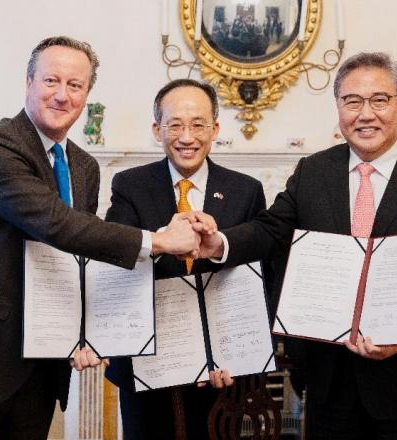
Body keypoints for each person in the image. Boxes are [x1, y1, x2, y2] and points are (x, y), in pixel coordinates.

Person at [0, 36, 206, 440]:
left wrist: (88, 333)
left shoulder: (84, 166)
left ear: (86, 95)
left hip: (39, 369)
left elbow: (79, 259)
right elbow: (58, 225)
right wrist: (160, 241)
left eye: (75, 85)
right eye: (51, 81)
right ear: (28, 83)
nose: (62, 95)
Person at [198, 52, 397, 439]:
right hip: (330, 389)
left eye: (379, 100)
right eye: (352, 101)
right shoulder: (313, 172)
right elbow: (270, 230)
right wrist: (219, 243)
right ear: (338, 108)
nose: (365, 114)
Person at [100, 78, 267, 439]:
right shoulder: (129, 185)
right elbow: (115, 257)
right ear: (157, 130)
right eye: (174, 125)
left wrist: (239, 357)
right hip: (148, 364)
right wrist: (164, 239)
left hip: (221, 368)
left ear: (215, 129)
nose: (186, 137)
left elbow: (257, 276)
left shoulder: (246, 191)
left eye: (198, 125)